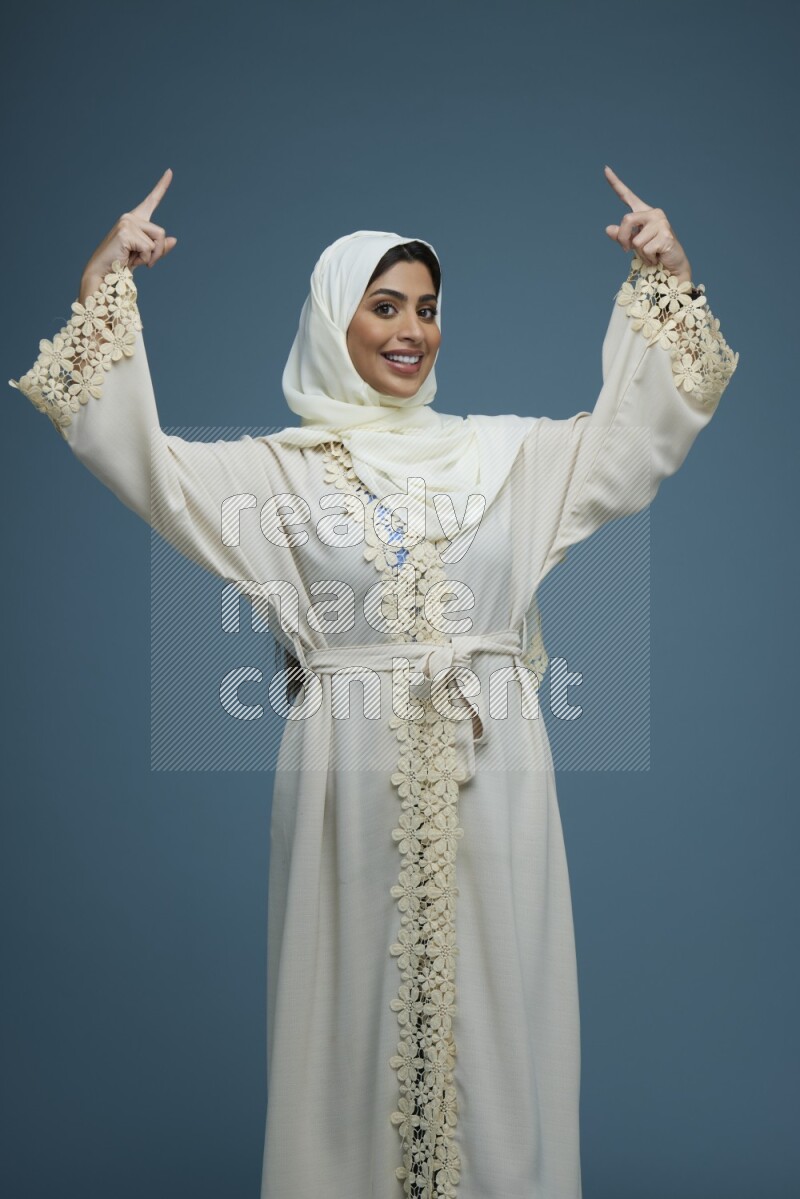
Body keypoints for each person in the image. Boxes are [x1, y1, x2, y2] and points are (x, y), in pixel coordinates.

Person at [9, 166, 739, 1199]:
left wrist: (672, 276)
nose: (411, 330)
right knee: (353, 1025)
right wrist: (103, 285)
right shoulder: (279, 472)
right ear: (332, 319)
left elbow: (634, 438)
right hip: (346, 789)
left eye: (427, 310)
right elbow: (140, 462)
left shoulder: (507, 458)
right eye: (384, 305)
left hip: (497, 778)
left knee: (497, 1025)